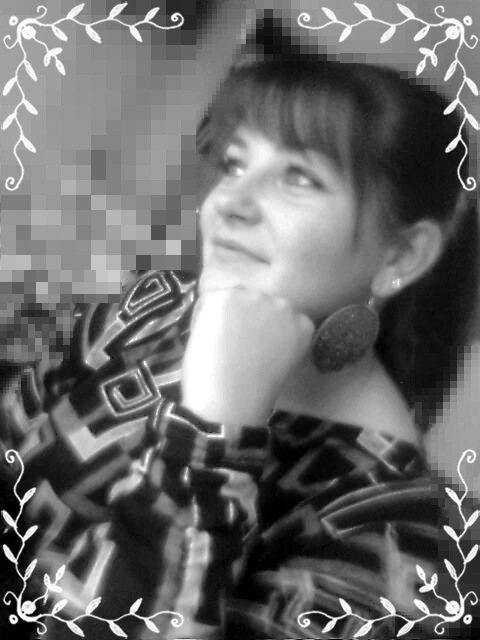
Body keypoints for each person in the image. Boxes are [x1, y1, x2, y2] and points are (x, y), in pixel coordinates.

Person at [1, 24, 479, 640]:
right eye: (234, 164)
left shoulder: (392, 536)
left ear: (402, 256)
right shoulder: (157, 306)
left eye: (299, 177)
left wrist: (212, 434)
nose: (228, 202)